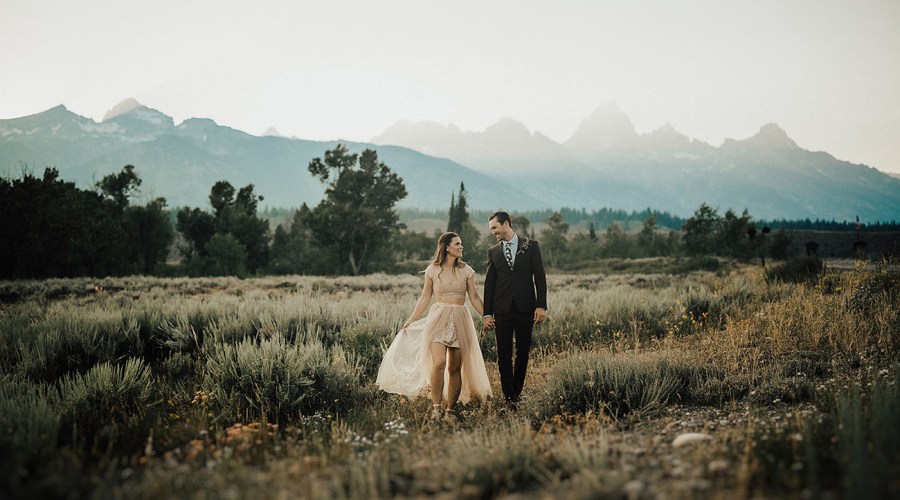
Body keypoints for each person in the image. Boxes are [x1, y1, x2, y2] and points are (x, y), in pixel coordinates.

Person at [376, 232, 493, 419]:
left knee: (455, 367)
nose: (461, 247)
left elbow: (474, 297)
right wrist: (413, 318)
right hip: (438, 318)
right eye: (458, 244)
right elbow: (425, 297)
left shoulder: (466, 270)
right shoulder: (432, 270)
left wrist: (487, 315)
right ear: (447, 247)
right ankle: (436, 406)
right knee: (439, 362)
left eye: (461, 243)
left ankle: (450, 410)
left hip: (460, 319)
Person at [483, 211, 547, 406]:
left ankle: (517, 393)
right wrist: (487, 313)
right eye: (491, 229)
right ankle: (508, 395)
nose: (493, 232)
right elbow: (489, 284)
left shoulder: (531, 246)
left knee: (522, 352)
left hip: (525, 307)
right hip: (502, 309)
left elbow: (540, 278)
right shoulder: (493, 251)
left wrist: (541, 305)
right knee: (503, 354)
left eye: (495, 227)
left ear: (506, 224)